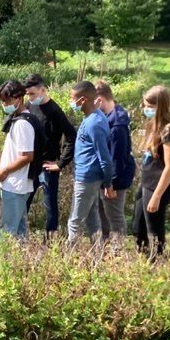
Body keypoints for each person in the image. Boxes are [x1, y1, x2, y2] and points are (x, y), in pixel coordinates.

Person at [22, 74, 77, 238]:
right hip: (30, 163)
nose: (30, 97)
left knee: (50, 204)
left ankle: (51, 239)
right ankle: (19, 235)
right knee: (24, 201)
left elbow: (71, 136)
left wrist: (60, 163)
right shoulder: (29, 106)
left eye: (32, 94)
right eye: (27, 94)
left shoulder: (54, 111)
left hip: (47, 165)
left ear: (43, 90)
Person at [134, 85, 170, 256]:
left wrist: (156, 196)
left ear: (160, 106)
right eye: (145, 106)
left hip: (157, 187)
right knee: (138, 228)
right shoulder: (153, 126)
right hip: (147, 184)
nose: (146, 110)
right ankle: (143, 264)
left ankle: (158, 267)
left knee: (154, 232)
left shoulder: (169, 131)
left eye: (150, 107)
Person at [67, 81, 114, 243]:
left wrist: (108, 184)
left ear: (83, 100)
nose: (71, 102)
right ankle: (97, 256)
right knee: (92, 220)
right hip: (87, 176)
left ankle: (68, 260)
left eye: (73, 98)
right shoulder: (92, 118)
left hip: (87, 178)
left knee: (74, 222)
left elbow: (105, 158)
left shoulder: (95, 123)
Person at [0, 81, 43, 237]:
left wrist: (5, 169)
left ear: (18, 99)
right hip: (15, 183)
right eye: (2, 101)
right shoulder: (18, 119)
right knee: (20, 231)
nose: (4, 104)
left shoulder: (23, 123)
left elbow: (27, 156)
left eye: (7, 101)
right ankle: (22, 259)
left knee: (7, 231)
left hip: (16, 185)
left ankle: (2, 260)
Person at [94, 80, 136, 239]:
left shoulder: (118, 124)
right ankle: (105, 250)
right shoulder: (108, 117)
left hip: (114, 180)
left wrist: (110, 183)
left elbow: (117, 157)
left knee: (114, 217)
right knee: (102, 216)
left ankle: (119, 253)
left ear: (99, 99)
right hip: (105, 177)